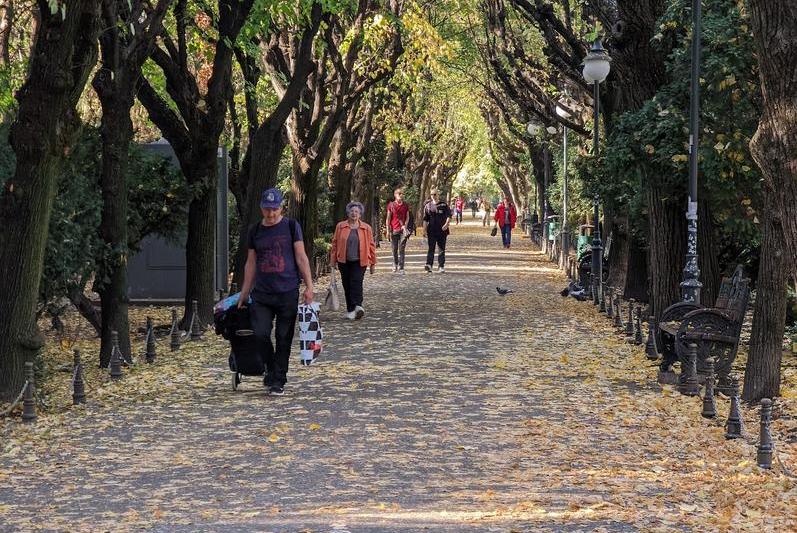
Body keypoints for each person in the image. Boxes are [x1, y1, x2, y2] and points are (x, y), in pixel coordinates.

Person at [239, 188, 314, 396]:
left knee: (283, 337)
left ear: (281, 207)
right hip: (262, 294)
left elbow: (301, 257)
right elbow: (251, 263)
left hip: (287, 291)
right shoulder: (255, 230)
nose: (270, 214)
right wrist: (244, 292)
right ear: (261, 208)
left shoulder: (291, 226)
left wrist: (309, 286)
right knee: (260, 334)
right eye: (266, 209)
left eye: (274, 209)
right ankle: (270, 368)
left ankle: (278, 380)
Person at [330, 201, 377, 319]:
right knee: (347, 284)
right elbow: (334, 244)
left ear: (360, 214)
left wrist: (373, 263)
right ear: (348, 213)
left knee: (356, 282)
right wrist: (332, 261)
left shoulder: (366, 228)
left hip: (360, 261)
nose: (354, 213)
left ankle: (358, 306)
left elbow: (372, 245)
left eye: (356, 211)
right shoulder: (340, 226)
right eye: (352, 211)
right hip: (344, 261)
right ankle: (350, 310)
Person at [422, 188, 452, 273]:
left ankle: (441, 266)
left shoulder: (444, 205)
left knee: (441, 249)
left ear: (438, 195)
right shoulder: (428, 206)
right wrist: (424, 231)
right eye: (432, 194)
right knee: (431, 248)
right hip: (431, 231)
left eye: (435, 194)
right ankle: (429, 265)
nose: (433, 196)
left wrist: (446, 224)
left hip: (442, 231)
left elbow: (449, 216)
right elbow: (425, 219)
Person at [385, 187, 410, 273]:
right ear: (395, 195)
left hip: (403, 230)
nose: (401, 195)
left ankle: (401, 267)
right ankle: (395, 264)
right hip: (394, 230)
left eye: (402, 193)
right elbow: (388, 219)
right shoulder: (391, 205)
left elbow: (407, 217)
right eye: (399, 193)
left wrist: (405, 226)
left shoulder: (406, 205)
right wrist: (388, 230)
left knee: (402, 249)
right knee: (394, 249)